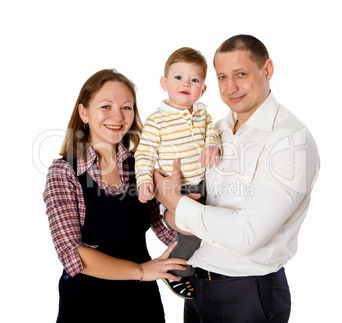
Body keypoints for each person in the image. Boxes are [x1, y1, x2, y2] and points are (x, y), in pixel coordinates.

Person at [153, 35, 320, 322]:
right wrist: (173, 207)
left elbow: (247, 235)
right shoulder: (216, 130)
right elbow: (174, 208)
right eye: (221, 77)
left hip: (247, 293)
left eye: (241, 74)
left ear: (266, 70)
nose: (230, 88)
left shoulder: (290, 141)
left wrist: (175, 203)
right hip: (197, 287)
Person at [43, 69, 188, 323]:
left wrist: (182, 203)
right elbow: (74, 256)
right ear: (84, 112)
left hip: (143, 306)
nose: (118, 117)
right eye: (106, 106)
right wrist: (142, 270)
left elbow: (167, 232)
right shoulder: (64, 171)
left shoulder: (142, 167)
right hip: (87, 307)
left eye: (126, 107)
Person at [134, 47, 221, 299]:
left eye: (194, 80)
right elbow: (144, 155)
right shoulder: (156, 121)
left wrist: (212, 145)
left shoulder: (203, 113)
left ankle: (191, 267)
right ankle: (176, 270)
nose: (186, 84)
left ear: (202, 89)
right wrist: (143, 182)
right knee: (193, 231)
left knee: (211, 228)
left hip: (204, 185)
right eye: (178, 78)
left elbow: (212, 133)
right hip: (178, 190)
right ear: (164, 83)